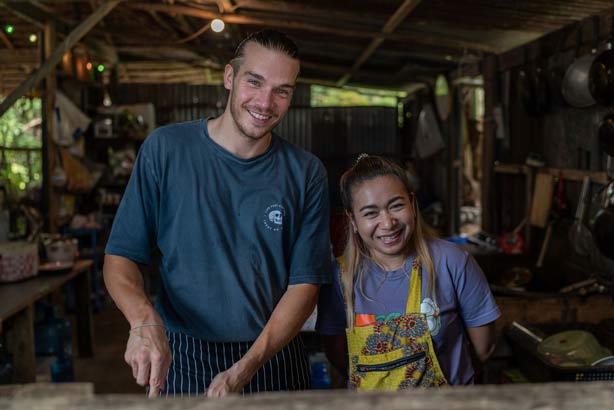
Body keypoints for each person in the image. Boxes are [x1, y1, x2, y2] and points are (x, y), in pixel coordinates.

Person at [103, 29, 332, 398]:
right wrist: (143, 321)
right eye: (254, 82)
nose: (265, 101)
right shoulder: (166, 149)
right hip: (183, 353)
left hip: (272, 354)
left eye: (282, 91)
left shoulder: (306, 173)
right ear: (230, 77)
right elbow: (121, 257)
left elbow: (305, 286)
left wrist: (247, 367)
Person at [316, 155, 500, 390]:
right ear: (352, 219)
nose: (388, 223)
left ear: (412, 204)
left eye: (396, 206)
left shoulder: (452, 262)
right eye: (371, 213)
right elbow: (338, 356)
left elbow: (483, 349)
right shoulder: (340, 277)